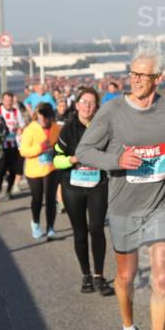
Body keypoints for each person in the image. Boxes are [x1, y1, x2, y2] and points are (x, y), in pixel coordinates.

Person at [76, 54, 165, 330]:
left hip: (161, 202)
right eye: (133, 74)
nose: (137, 80)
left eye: (144, 75)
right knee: (126, 277)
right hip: (123, 207)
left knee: (161, 279)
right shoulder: (112, 111)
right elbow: (85, 151)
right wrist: (118, 159)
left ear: (158, 78)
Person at [54, 87, 115, 296]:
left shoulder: (104, 127)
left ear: (96, 107)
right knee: (80, 232)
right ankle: (86, 275)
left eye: (91, 103)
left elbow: (113, 153)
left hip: (98, 185)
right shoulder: (68, 129)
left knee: (96, 229)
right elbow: (56, 160)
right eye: (84, 102)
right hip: (73, 187)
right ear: (77, 104)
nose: (87, 106)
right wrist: (73, 159)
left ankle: (99, 276)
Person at [20, 102, 61, 239]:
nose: (42, 120)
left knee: (50, 199)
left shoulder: (56, 128)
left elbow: (60, 146)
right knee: (37, 198)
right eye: (40, 117)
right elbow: (23, 151)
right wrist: (40, 147)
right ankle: (36, 223)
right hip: (34, 170)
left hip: (51, 168)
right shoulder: (30, 130)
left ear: (51, 117)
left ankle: (50, 228)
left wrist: (56, 149)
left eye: (46, 117)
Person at [0, 91, 27, 199]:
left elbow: (22, 125)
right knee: (0, 169)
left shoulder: (16, 111)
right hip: (1, 145)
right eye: (6, 100)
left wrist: (20, 129)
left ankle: (9, 191)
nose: (8, 103)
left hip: (14, 144)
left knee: (13, 170)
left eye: (10, 101)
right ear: (2, 101)